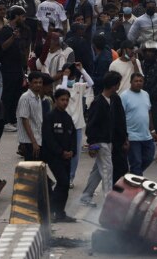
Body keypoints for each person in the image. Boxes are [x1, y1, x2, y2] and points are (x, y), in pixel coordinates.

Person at [79, 71, 121, 205]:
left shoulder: (113, 100)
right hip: (100, 143)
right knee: (107, 171)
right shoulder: (98, 103)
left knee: (97, 171)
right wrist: (92, 145)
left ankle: (86, 196)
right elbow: (91, 126)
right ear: (114, 85)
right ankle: (109, 202)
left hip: (108, 141)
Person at [43, 88, 77, 223]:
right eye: (62, 100)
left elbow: (73, 136)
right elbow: (48, 138)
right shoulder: (50, 117)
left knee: (65, 185)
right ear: (56, 100)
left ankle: (60, 212)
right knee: (62, 181)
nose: (65, 103)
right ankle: (51, 211)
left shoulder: (68, 118)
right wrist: (60, 152)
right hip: (54, 157)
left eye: (67, 100)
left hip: (67, 157)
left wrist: (72, 151)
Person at [119, 72, 156, 176]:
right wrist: (124, 136)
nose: (138, 83)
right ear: (130, 82)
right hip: (132, 136)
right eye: (136, 81)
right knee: (136, 163)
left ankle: (132, 175)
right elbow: (120, 117)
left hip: (146, 136)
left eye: (140, 81)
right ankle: (136, 186)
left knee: (149, 158)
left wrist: (152, 130)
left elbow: (149, 112)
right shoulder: (124, 96)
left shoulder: (145, 94)